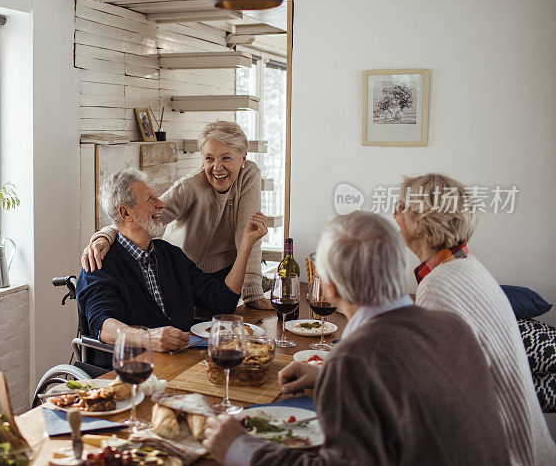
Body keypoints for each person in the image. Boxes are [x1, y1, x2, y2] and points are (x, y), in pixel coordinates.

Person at [203, 211, 510, 466]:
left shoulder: (355, 359)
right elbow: (403, 397)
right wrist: (325, 376)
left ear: (330, 287)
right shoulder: (452, 326)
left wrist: (240, 448)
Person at [394, 173, 556, 465]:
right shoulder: (464, 264)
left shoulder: (439, 283)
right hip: (532, 449)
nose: (394, 213)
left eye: (401, 206)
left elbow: (436, 395)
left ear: (420, 222)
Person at [76, 169, 267, 366]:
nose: (161, 204)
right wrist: (148, 338)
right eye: (150, 199)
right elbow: (104, 326)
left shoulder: (169, 254)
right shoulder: (99, 262)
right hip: (132, 370)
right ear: (125, 212)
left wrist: (246, 244)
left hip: (182, 363)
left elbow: (222, 302)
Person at [82, 121, 272, 310]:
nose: (217, 167)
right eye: (209, 158)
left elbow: (247, 234)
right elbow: (141, 217)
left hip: (225, 273)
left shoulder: (249, 175)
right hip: (187, 272)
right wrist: (106, 235)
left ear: (243, 157)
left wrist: (253, 292)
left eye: (226, 158)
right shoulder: (190, 186)